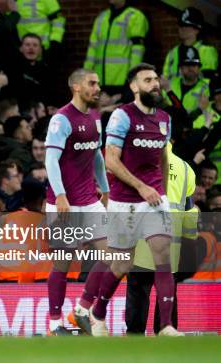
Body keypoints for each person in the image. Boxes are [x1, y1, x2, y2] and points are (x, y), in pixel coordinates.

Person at [95, 63, 183, 337]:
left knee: (162, 255)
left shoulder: (165, 119)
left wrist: (163, 192)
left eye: (156, 79)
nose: (155, 84)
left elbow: (163, 157)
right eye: (147, 80)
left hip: (155, 198)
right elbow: (111, 159)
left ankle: (166, 326)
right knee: (122, 263)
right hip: (125, 200)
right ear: (134, 86)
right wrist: (141, 187)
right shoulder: (122, 116)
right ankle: (97, 315)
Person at [43, 68, 110, 335]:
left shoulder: (96, 117)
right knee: (63, 262)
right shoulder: (61, 119)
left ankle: (81, 308)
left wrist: (104, 190)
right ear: (76, 87)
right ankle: (54, 323)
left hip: (89, 200)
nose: (97, 88)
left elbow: (97, 156)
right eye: (92, 84)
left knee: (113, 254)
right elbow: (50, 159)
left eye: (98, 84)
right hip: (63, 203)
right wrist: (60, 195)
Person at [126, 143, 198, 334]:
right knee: (167, 293)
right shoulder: (185, 168)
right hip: (171, 242)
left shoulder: (138, 163)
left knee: (138, 292)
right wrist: (190, 238)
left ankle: (134, 338)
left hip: (141, 240)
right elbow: (189, 209)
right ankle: (166, 335)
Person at [84, 0, 148, 94]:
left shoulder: (135, 16)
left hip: (122, 82)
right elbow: (92, 49)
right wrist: (85, 76)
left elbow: (137, 52)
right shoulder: (101, 18)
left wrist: (132, 78)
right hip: (100, 82)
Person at [162, 7, 218, 81]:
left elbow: (207, 82)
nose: (182, 28)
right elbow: (165, 80)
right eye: (181, 25)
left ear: (197, 30)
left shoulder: (207, 51)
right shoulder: (172, 53)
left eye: (186, 25)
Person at [163, 46, 210, 116]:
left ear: (199, 68)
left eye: (194, 65)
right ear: (180, 69)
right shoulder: (170, 84)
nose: (190, 68)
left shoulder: (208, 86)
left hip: (196, 126)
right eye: (187, 65)